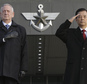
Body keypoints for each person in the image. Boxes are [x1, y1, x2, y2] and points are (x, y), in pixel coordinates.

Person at [55, 8, 87, 84]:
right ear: (76, 19)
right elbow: (59, 33)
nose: (82, 18)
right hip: (73, 73)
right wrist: (69, 21)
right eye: (79, 16)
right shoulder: (70, 33)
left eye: (85, 16)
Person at [0, 3, 28, 84]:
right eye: (4, 11)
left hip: (13, 71)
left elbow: (24, 50)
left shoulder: (21, 30)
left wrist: (24, 68)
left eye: (8, 11)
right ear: (0, 14)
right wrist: (3, 39)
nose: (6, 13)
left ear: (13, 14)